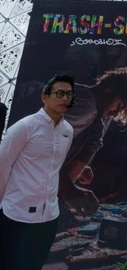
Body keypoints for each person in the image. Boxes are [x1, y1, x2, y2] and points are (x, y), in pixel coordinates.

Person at [0, 73, 75, 270]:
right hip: (17, 214)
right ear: (44, 97)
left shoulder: (68, 130)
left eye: (68, 94)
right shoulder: (24, 127)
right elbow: (2, 166)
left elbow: (55, 167)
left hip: (49, 215)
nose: (65, 98)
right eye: (59, 93)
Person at [60, 66, 127, 216]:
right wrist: (68, 190)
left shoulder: (94, 119)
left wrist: (78, 166)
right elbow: (36, 147)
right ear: (108, 90)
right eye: (119, 105)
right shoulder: (86, 107)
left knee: (96, 134)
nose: (115, 113)